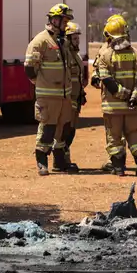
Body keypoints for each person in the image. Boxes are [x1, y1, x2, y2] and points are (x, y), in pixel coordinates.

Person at [24, 4, 82, 176]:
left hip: (64, 96)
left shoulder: (62, 41)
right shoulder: (40, 41)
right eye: (64, 21)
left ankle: (60, 162)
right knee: (47, 129)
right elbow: (29, 68)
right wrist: (41, 84)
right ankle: (42, 162)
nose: (66, 25)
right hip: (48, 96)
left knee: (63, 129)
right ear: (55, 20)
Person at [94, 14, 137, 176]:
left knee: (115, 138)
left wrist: (122, 94)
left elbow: (106, 80)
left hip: (113, 107)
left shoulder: (105, 56)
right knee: (134, 135)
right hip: (134, 106)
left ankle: (119, 168)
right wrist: (134, 96)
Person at [59, 21, 89, 171]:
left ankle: (65, 159)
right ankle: (61, 161)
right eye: (74, 38)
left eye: (78, 38)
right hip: (68, 99)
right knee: (65, 130)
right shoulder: (65, 55)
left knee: (71, 130)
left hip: (76, 98)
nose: (77, 41)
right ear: (67, 39)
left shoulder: (75, 54)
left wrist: (81, 93)